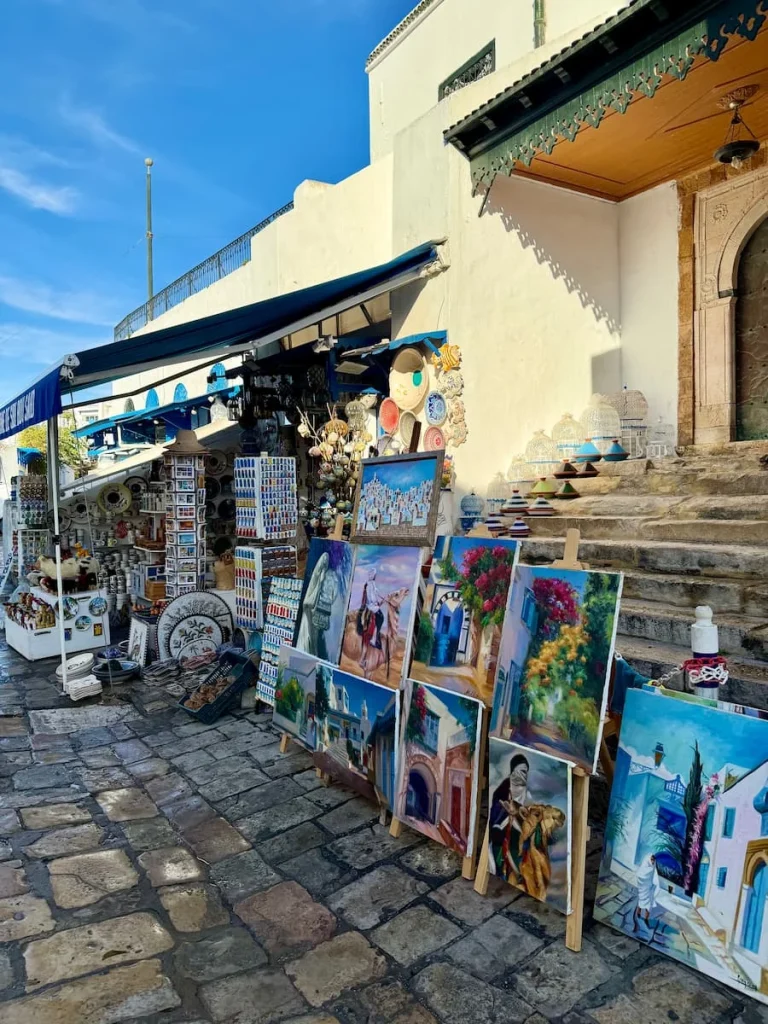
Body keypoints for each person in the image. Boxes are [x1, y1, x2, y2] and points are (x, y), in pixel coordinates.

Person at [489, 753, 529, 881]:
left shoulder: (527, 793)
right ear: (513, 771)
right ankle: (503, 871)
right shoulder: (502, 790)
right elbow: (496, 814)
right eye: (522, 771)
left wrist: (517, 814)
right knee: (501, 839)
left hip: (518, 827)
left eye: (526, 772)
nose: (523, 775)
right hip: (501, 827)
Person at [634, 853, 659, 930]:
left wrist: (655, 884)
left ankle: (646, 919)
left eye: (653, 860)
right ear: (648, 859)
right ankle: (638, 913)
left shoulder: (653, 867)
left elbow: (655, 877)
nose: (652, 861)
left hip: (650, 889)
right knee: (641, 902)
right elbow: (640, 875)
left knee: (649, 905)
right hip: (643, 889)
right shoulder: (644, 866)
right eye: (651, 859)